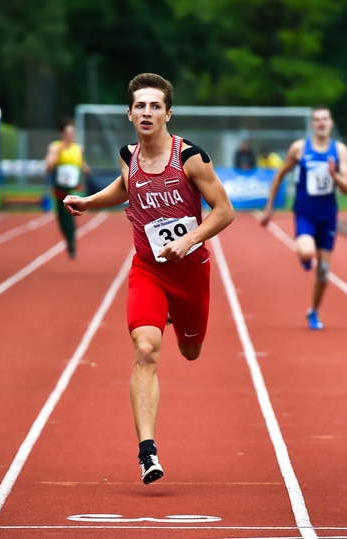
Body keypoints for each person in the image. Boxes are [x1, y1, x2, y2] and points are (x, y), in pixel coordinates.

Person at [63, 73, 234, 484]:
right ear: (129, 113)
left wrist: (190, 239)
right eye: (140, 105)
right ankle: (147, 452)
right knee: (145, 349)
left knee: (190, 352)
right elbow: (125, 186)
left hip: (190, 271)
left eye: (155, 105)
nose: (147, 112)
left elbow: (225, 211)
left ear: (168, 113)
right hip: (148, 270)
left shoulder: (191, 158)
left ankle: (177, 319)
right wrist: (90, 201)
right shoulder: (128, 155)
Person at [259, 106, 347, 330]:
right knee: (307, 252)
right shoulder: (300, 148)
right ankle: (305, 256)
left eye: (325, 119)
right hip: (305, 212)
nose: (321, 123)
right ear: (312, 124)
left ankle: (313, 311)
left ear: (331, 123)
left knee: (323, 271)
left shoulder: (340, 151)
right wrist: (269, 207)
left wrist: (334, 175)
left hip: (328, 215)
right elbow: (280, 174)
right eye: (317, 119)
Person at [45, 118, 91, 258]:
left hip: (74, 188)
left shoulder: (78, 148)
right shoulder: (55, 147)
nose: (71, 135)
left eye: (73, 132)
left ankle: (71, 242)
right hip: (60, 189)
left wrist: (86, 170)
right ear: (62, 133)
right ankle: (70, 239)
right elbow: (48, 167)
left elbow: (83, 165)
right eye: (68, 132)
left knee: (70, 215)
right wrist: (59, 152)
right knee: (62, 218)